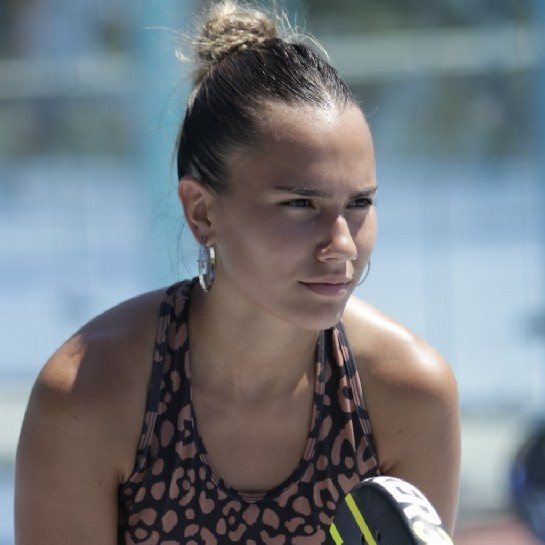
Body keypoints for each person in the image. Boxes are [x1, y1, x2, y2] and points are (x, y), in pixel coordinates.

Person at [14, 2, 461, 544]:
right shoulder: (87, 396)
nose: (342, 245)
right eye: (299, 203)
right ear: (202, 212)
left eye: (359, 203)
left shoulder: (408, 393)